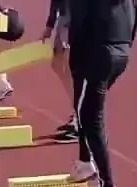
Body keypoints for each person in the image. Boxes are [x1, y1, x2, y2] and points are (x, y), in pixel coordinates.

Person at [63, 0, 137, 187]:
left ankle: (107, 186)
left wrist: (75, 63)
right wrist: (126, 45)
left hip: (97, 55)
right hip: (120, 53)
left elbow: (79, 23)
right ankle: (85, 163)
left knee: (88, 117)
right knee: (87, 111)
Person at [43, 0, 76, 142]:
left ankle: (80, 120)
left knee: (69, 67)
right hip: (65, 18)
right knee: (57, 64)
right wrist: (50, 26)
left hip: (74, 19)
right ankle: (78, 113)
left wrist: (65, 26)